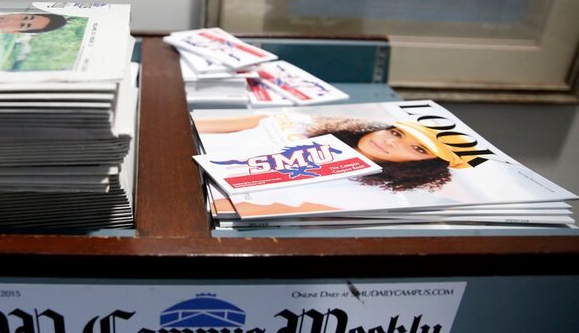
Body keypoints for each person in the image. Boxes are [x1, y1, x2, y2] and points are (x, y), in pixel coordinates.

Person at [195, 112, 469, 216]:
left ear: (424, 168)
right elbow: (196, 125)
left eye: (417, 149)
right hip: (169, 149)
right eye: (396, 133)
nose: (389, 142)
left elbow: (246, 209)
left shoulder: (372, 199)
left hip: (191, 193)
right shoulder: (310, 123)